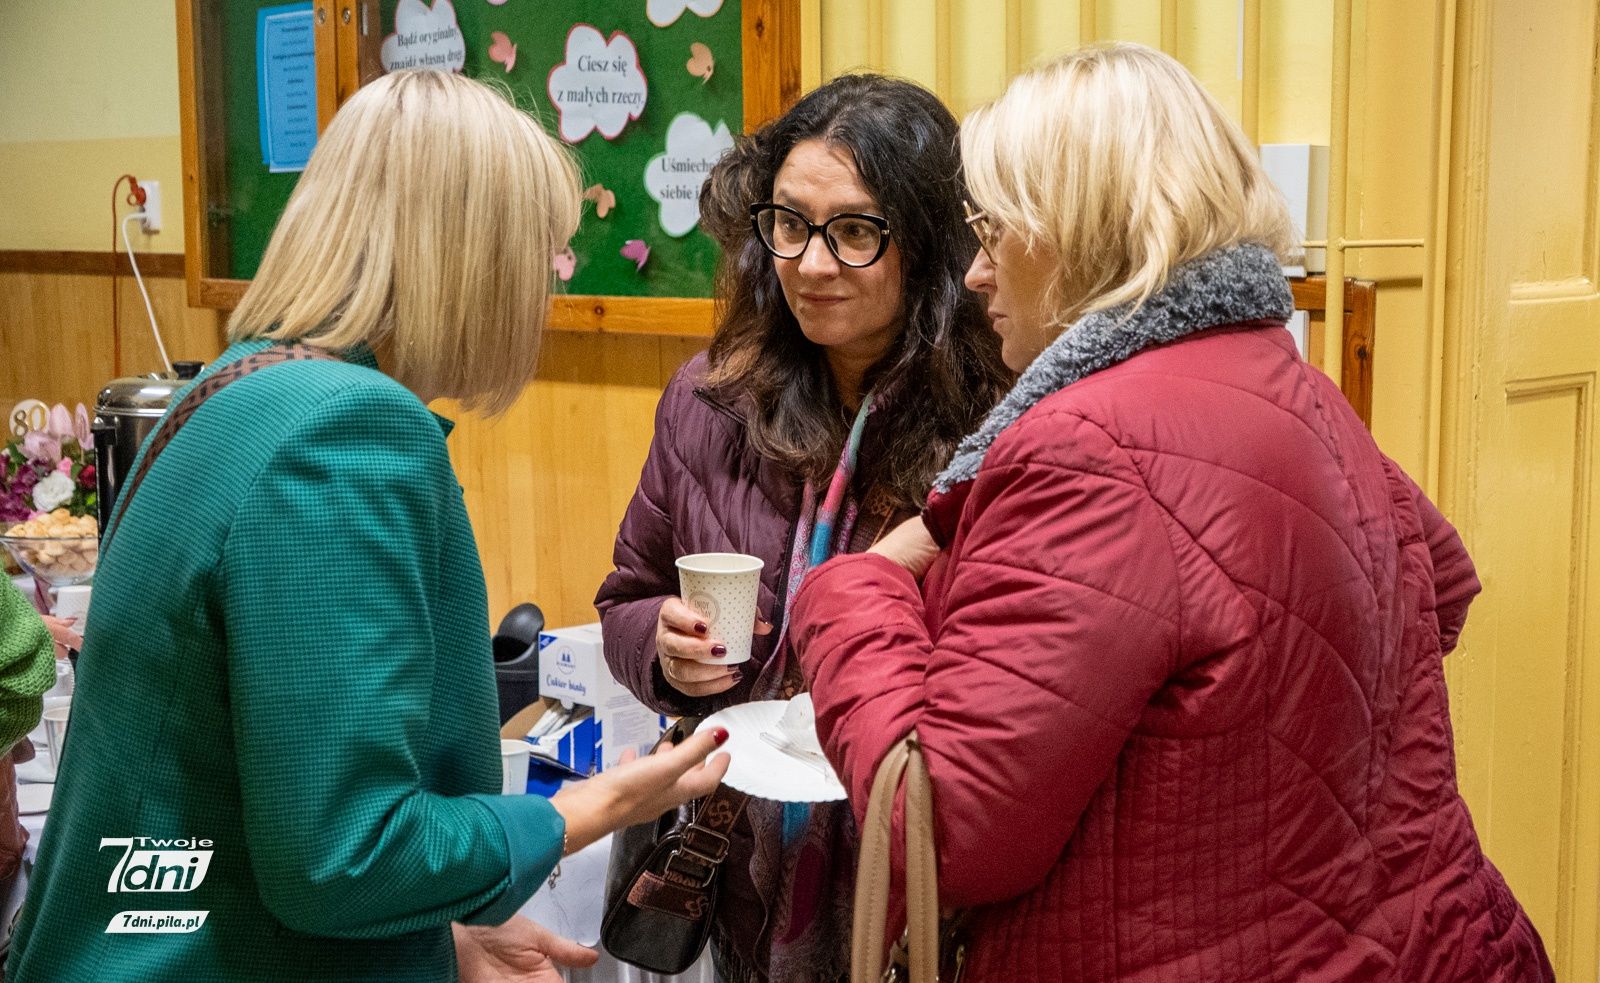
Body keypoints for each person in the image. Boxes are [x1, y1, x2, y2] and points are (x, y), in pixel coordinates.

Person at [790, 43, 1553, 983]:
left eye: (992, 230)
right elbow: (1439, 587)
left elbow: (944, 831)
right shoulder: (1290, 382)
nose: (978, 273)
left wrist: (848, 590)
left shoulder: (1086, 445)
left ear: (1074, 233)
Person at [7, 70, 730, 983]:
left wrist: (442, 937)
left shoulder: (233, 388)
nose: (545, 294)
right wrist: (589, 808)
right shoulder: (347, 432)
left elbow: (253, 807)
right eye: (542, 257)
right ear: (470, 259)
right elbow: (345, 853)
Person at [596, 74, 1011, 983]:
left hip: (916, 889)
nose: (813, 265)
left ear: (931, 244)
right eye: (789, 224)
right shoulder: (712, 401)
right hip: (741, 877)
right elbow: (627, 595)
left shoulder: (998, 427)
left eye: (856, 232)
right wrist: (663, 651)